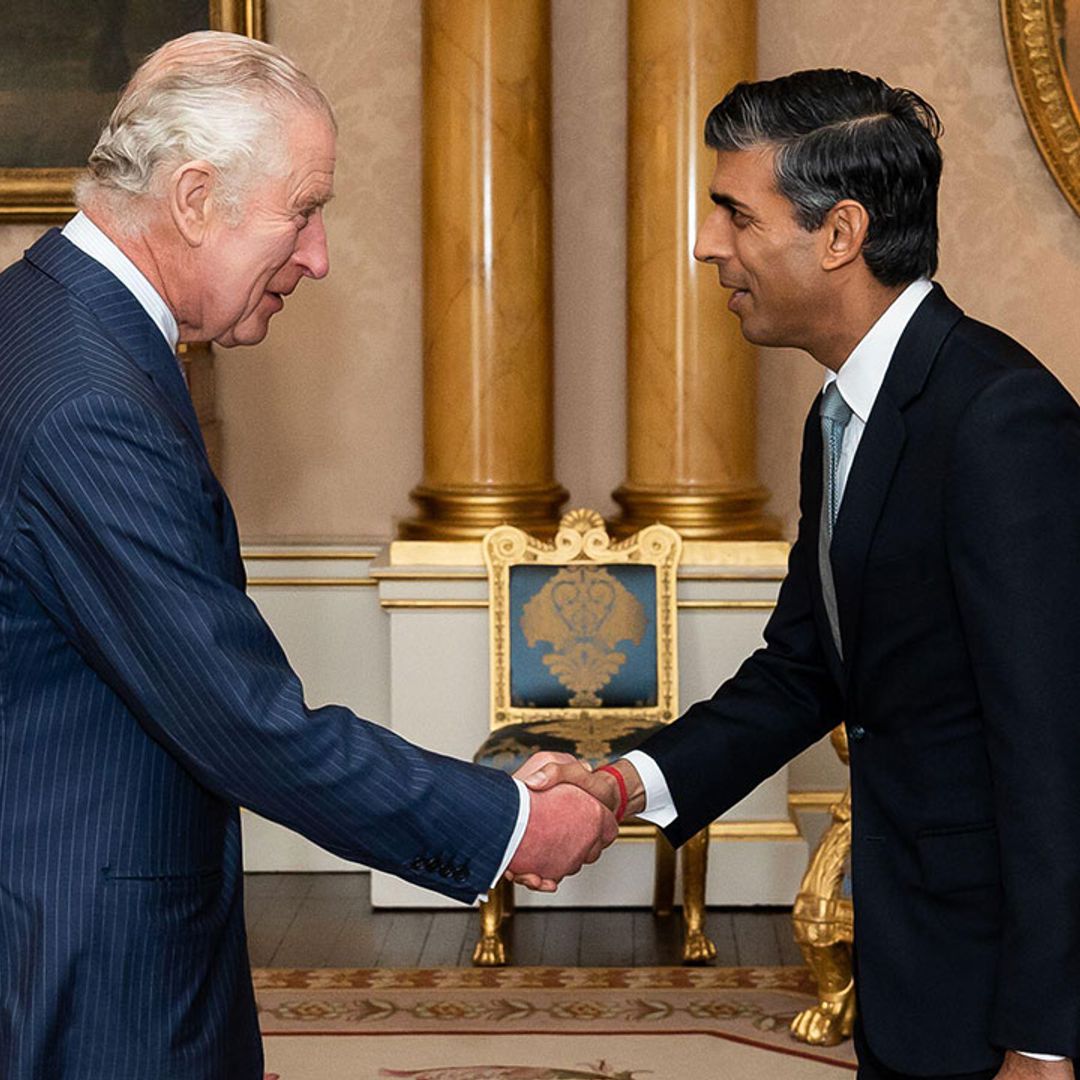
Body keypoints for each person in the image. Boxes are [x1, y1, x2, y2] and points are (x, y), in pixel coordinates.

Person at [0, 32, 615, 1080]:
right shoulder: (92, 400)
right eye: (306, 209)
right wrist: (510, 825)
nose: (319, 256)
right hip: (93, 959)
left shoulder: (43, 316)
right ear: (197, 199)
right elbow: (237, 720)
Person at [519, 69, 1080, 1080]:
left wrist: (1046, 1040)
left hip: (997, 983)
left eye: (734, 210)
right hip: (913, 961)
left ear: (840, 234)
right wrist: (618, 784)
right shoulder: (842, 415)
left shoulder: (999, 419)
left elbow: (1057, 754)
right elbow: (804, 670)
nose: (706, 243)